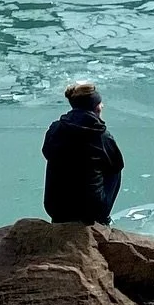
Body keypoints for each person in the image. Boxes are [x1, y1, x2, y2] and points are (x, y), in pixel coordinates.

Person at [42, 80, 123, 223]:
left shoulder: (55, 128)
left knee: (56, 159)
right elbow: (116, 165)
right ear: (96, 108)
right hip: (91, 212)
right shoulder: (101, 136)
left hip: (56, 208)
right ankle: (103, 219)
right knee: (115, 169)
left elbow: (46, 152)